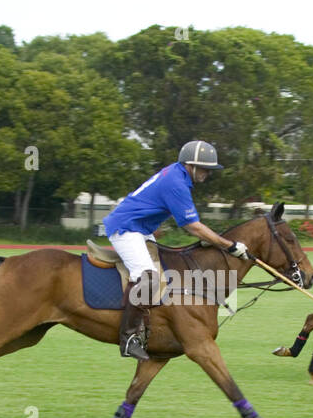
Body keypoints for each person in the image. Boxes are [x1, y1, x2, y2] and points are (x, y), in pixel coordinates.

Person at [102, 140, 252, 360]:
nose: (208, 173)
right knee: (148, 278)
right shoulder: (176, 183)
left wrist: (210, 239)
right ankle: (129, 337)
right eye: (204, 168)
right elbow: (192, 226)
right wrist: (229, 245)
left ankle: (153, 327)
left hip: (141, 229)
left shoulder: (177, 174)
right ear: (190, 165)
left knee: (167, 273)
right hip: (126, 228)